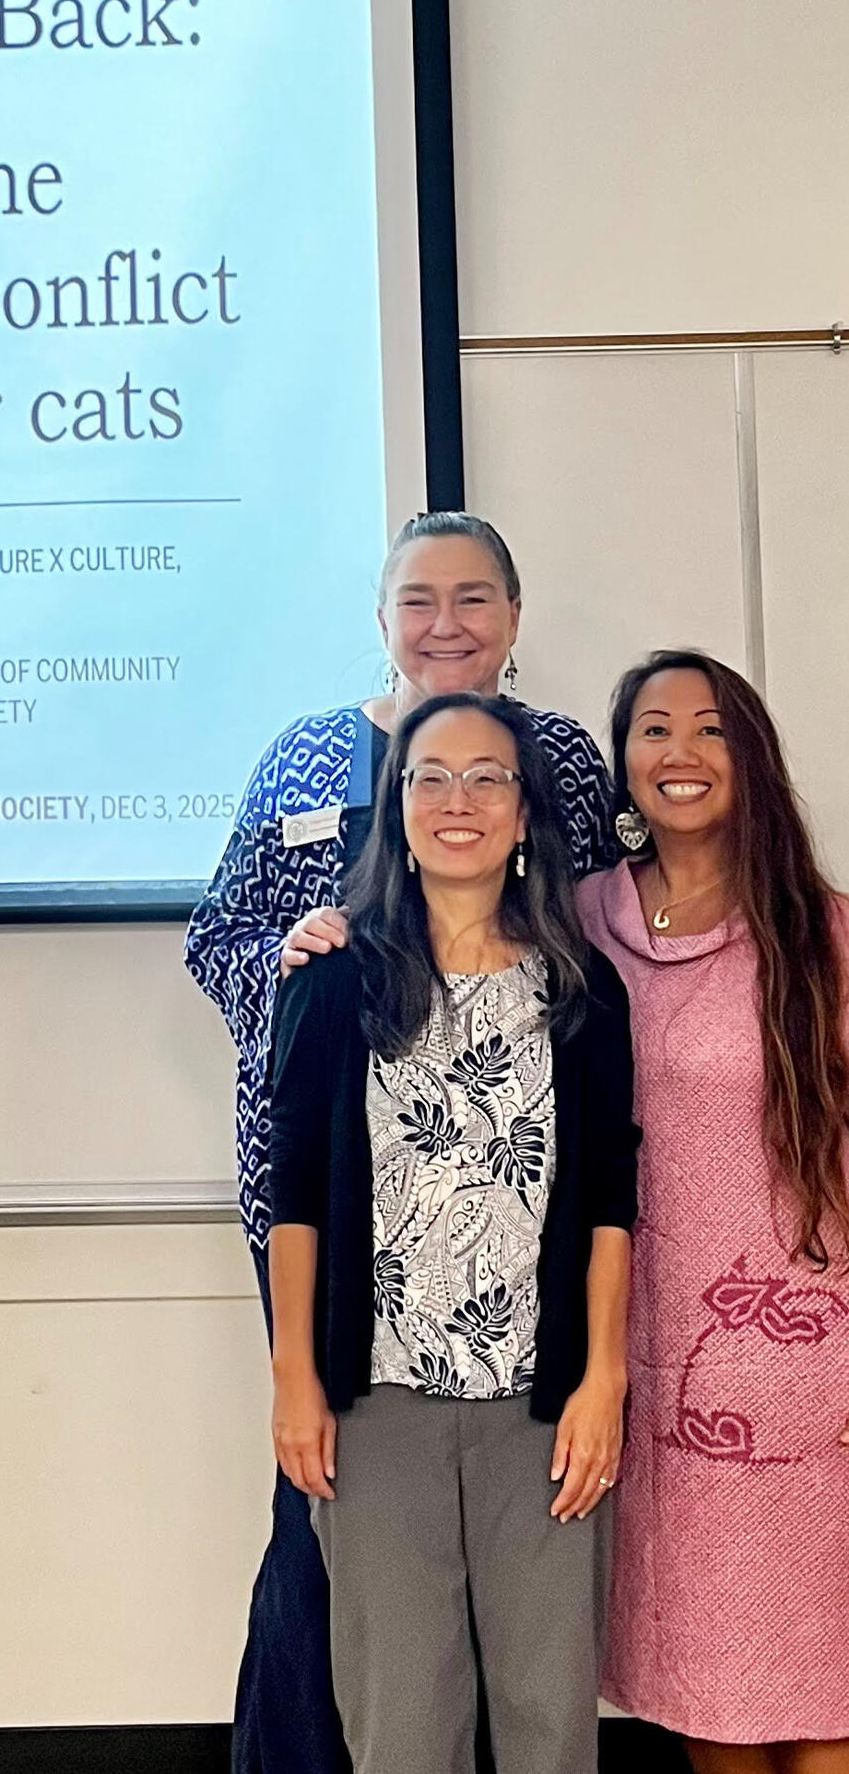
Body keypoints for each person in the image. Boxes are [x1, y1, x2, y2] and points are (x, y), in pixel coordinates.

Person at [184, 511, 616, 1774]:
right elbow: (220, 938)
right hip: (324, 1206)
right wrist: (300, 973)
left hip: (518, 1220)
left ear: (516, 621)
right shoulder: (304, 759)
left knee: (522, 1561)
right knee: (327, 1519)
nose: (446, 624)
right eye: (417, 599)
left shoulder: (570, 765)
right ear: (380, 619)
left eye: (474, 597)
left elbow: (593, 947)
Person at [269, 692, 638, 1774]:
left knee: (547, 1725)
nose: (459, 800)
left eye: (488, 778)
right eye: (431, 777)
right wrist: (294, 1371)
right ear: (399, 807)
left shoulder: (583, 989)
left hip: (544, 1410)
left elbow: (612, 1198)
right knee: (400, 1728)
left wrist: (603, 1378)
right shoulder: (336, 982)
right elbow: (297, 1192)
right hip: (375, 1406)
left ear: (526, 815)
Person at [578, 651, 849, 1773]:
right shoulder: (580, 919)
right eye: (653, 729)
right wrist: (327, 937)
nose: (679, 753)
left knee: (824, 1694)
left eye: (709, 729)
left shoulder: (821, 932)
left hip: (808, 1363)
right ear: (624, 762)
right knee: (706, 1691)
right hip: (648, 1363)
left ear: (752, 755)